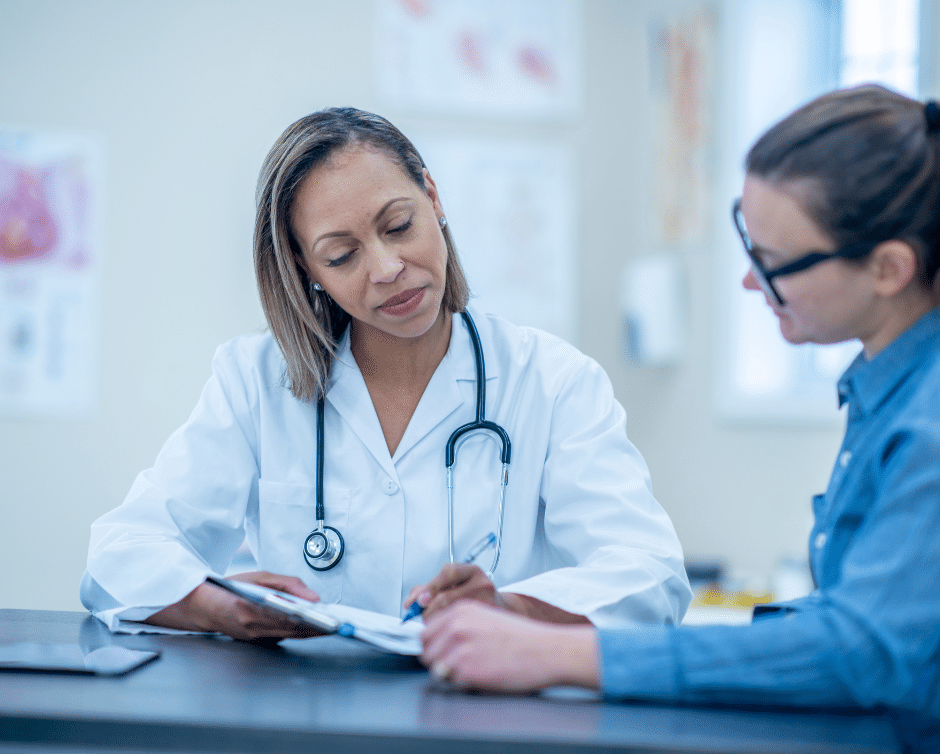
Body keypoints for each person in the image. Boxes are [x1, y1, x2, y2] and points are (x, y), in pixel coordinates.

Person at [420, 85, 940, 753]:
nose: (751, 283)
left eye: (772, 263)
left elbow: (863, 651)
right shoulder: (889, 387)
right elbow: (861, 619)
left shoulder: (926, 419)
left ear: (889, 268)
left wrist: (555, 655)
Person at [80, 107, 691, 641]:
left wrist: (509, 608)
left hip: (492, 717)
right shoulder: (254, 381)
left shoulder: (553, 383)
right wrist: (216, 606)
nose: (388, 267)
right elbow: (121, 554)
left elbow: (651, 576)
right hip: (311, 719)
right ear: (306, 267)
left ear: (433, 196)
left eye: (399, 226)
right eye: (342, 255)